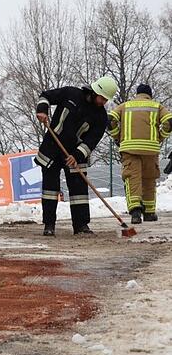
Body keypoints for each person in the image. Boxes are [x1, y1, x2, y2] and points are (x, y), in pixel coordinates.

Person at [35, 76, 116, 236]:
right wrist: (42, 110)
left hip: (74, 155)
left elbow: (91, 141)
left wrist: (77, 155)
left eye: (106, 100)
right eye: (102, 98)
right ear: (95, 92)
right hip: (53, 147)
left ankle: (81, 226)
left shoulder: (100, 117)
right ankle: (49, 225)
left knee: (79, 191)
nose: (103, 102)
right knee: (50, 189)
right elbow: (45, 96)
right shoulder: (70, 94)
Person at [107, 83, 172, 223]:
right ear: (150, 95)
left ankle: (136, 213)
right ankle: (149, 213)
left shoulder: (125, 106)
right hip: (150, 149)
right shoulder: (157, 106)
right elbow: (169, 122)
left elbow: (110, 119)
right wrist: (159, 138)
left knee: (132, 178)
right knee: (149, 179)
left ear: (137, 94)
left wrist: (118, 137)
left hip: (129, 149)